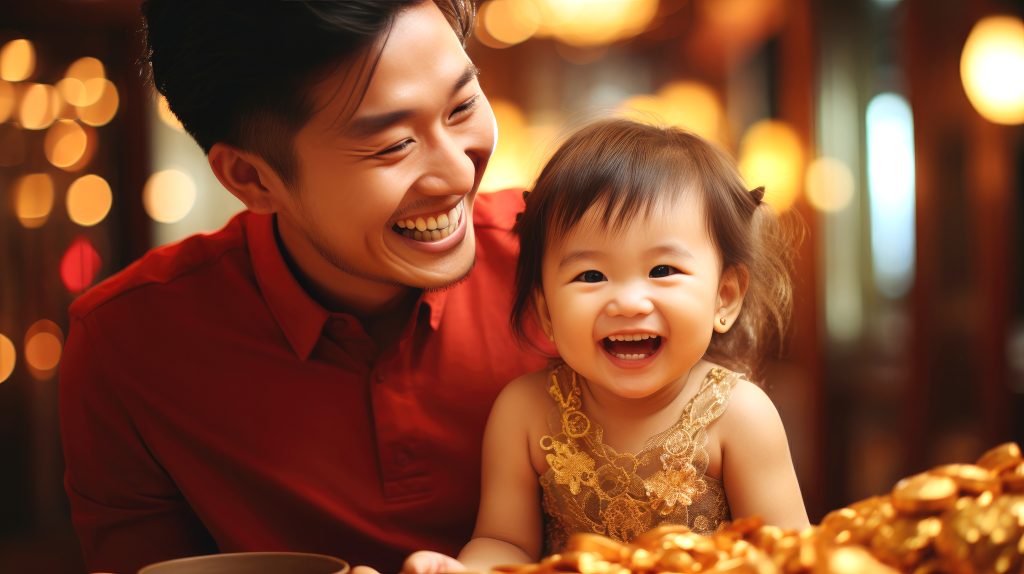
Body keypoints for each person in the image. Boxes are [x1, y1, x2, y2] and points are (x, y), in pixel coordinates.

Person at [58, 1, 548, 573]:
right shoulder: (127, 344)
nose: (460, 173)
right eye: (393, 145)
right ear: (253, 178)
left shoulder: (582, 262)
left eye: (462, 105)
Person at [400, 118, 810, 574]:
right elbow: (504, 541)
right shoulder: (526, 411)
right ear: (547, 311)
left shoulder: (739, 417)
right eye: (591, 276)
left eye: (662, 271)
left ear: (724, 297)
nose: (629, 302)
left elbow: (791, 557)